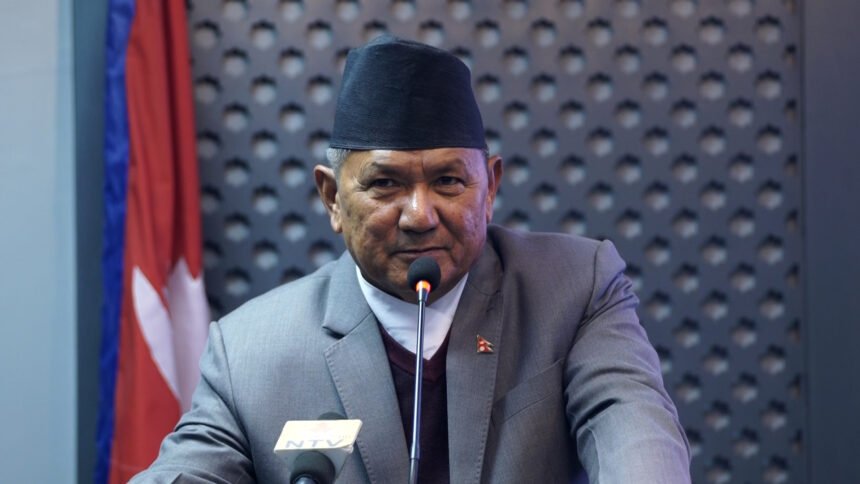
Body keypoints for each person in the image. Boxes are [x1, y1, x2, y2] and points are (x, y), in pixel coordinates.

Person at [133, 35, 690, 483]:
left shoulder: (575, 289)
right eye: (385, 184)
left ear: (490, 188)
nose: (420, 215)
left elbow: (637, 435)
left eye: (448, 181)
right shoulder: (249, 353)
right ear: (332, 198)